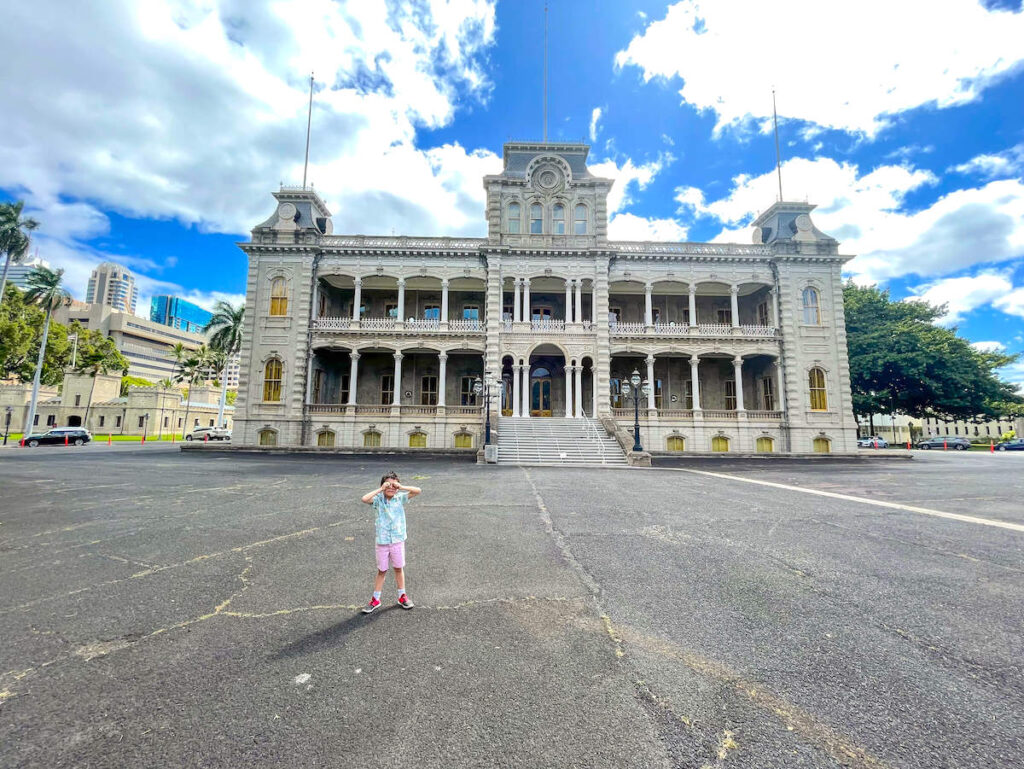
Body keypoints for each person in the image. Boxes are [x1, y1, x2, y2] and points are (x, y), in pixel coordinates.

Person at [360, 471, 421, 613]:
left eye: (394, 485)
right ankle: (375, 599)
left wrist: (401, 486)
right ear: (382, 486)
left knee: (398, 568)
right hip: (382, 541)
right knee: (382, 570)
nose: (391, 488)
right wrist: (381, 488)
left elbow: (418, 491)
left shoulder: (400, 498)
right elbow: (364, 498)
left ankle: (402, 596)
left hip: (397, 540)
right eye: (388, 485)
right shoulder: (378, 500)